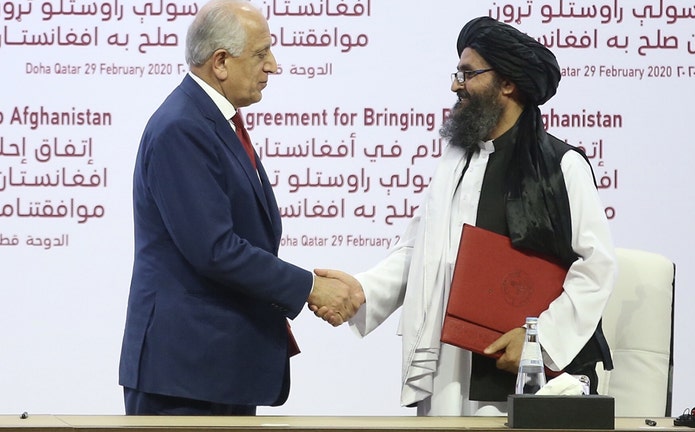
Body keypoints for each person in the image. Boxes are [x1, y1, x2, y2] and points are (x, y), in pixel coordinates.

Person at [314, 16, 617, 416]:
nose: (456, 85)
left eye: (468, 73)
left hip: (523, 371)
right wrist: (363, 290)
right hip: (449, 362)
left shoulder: (562, 165)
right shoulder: (455, 162)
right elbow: (420, 250)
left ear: (507, 83)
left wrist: (537, 339)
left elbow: (596, 266)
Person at [118, 0, 362, 415]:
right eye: (261, 53)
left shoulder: (211, 122)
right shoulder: (182, 127)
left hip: (217, 369)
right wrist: (309, 287)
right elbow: (215, 250)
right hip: (186, 376)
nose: (274, 66)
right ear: (221, 62)